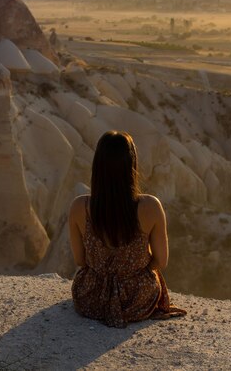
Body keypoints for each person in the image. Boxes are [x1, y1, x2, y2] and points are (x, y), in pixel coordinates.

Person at [69, 131, 186, 328]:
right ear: (132, 165)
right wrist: (132, 269)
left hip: (91, 298)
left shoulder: (79, 207)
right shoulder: (150, 206)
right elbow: (161, 261)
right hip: (137, 299)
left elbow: (80, 260)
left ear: (97, 167)